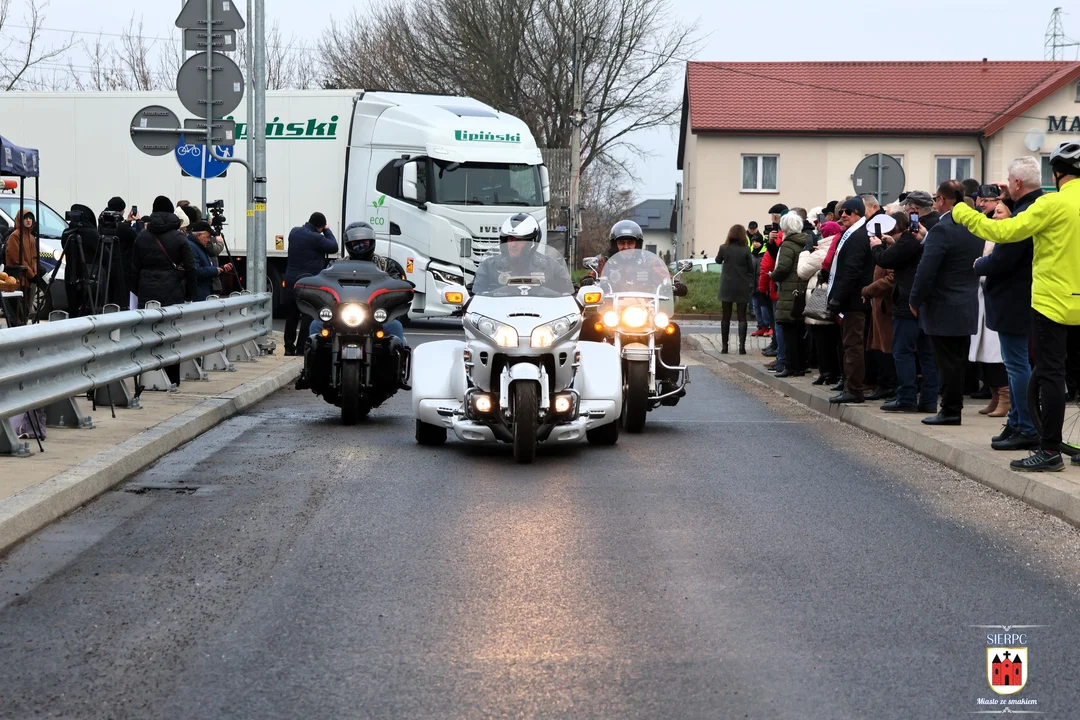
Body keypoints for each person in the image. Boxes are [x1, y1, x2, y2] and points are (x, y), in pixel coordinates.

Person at [951, 142, 1080, 471]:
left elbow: (1003, 232)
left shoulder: (1053, 203)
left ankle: (1050, 451)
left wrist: (963, 212)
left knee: (1051, 374)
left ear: (1058, 173)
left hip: (1053, 303)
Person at [973, 157, 1043, 452]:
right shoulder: (1034, 205)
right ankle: (1016, 420)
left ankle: (1026, 425)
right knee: (1017, 363)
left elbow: (1006, 256)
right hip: (1018, 296)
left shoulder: (1025, 213)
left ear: (1016, 183)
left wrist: (979, 264)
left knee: (1016, 365)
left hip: (1015, 297)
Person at [908, 181, 985, 426]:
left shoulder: (943, 229)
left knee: (946, 362)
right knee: (957, 362)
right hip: (967, 302)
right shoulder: (974, 224)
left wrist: (915, 298)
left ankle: (950, 411)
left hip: (943, 305)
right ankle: (954, 407)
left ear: (941, 200)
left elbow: (926, 268)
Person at [582, 218, 686, 394]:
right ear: (615, 244)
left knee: (671, 330)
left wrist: (676, 283)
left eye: (630, 242)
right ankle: (584, 375)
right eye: (621, 242)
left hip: (645, 312)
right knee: (588, 325)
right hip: (612, 312)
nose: (626, 247)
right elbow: (592, 274)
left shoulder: (649, 262)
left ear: (638, 244)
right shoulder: (605, 262)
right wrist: (588, 280)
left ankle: (669, 379)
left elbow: (665, 276)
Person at [872, 212, 939, 414]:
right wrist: (893, 243)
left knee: (903, 352)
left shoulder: (909, 239)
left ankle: (907, 397)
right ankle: (929, 399)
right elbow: (902, 256)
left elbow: (885, 259)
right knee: (927, 354)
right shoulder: (925, 239)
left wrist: (876, 246)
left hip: (907, 304)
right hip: (927, 303)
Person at [133, 196, 196, 387]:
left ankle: (148, 377)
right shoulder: (179, 238)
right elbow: (191, 268)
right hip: (173, 290)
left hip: (147, 291)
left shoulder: (142, 236)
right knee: (170, 336)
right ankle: (172, 379)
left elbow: (133, 268)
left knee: (148, 335)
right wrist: (189, 294)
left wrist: (138, 290)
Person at [827, 197, 875, 403]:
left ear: (858, 213)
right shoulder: (852, 233)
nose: (843, 215)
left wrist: (837, 297)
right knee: (849, 345)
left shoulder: (857, 236)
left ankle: (854, 390)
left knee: (853, 345)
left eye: (848, 212)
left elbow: (851, 271)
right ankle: (850, 386)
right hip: (851, 299)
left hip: (854, 300)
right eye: (842, 212)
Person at [283, 212, 338, 356]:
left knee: (292, 315)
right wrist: (327, 229)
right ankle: (301, 348)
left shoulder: (294, 232)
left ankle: (288, 347)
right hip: (308, 283)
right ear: (319, 227)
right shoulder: (316, 238)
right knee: (308, 314)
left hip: (291, 281)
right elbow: (334, 247)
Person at [799, 220, 843, 386]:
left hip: (819, 299)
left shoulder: (820, 252)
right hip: (833, 298)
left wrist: (805, 254)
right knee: (834, 338)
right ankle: (835, 372)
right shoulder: (838, 247)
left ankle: (826, 372)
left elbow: (802, 272)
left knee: (821, 340)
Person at [769, 213, 810, 377]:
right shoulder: (803, 242)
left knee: (789, 333)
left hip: (788, 294)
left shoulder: (787, 245)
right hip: (799, 292)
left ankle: (790, 366)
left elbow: (783, 268)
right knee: (799, 332)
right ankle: (800, 366)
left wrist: (772, 275)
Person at [715, 224, 756, 354]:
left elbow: (717, 260)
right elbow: (751, 268)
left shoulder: (723, 248)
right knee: (742, 317)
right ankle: (742, 347)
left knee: (725, 316)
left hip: (727, 285)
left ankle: (724, 347)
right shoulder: (746, 250)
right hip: (742, 286)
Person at [61, 204, 101, 318]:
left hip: (70, 274)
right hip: (89, 275)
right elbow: (104, 254)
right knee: (87, 309)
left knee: (73, 308)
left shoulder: (67, 233)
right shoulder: (91, 233)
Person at [100, 197, 138, 310]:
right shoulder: (123, 229)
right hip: (121, 268)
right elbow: (136, 238)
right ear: (120, 211)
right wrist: (139, 222)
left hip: (105, 266)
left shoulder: (102, 224)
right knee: (120, 299)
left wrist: (126, 222)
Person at [4, 208, 37, 325]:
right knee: (18, 310)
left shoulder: (32, 238)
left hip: (28, 280)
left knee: (25, 310)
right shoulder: (15, 236)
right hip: (17, 279)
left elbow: (34, 258)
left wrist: (35, 273)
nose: (28, 221)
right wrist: (31, 274)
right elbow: (17, 259)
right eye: (25, 218)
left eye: (30, 218)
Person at [187, 221, 234, 302]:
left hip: (201, 291)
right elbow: (196, 271)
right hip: (198, 294)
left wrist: (220, 269)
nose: (209, 240)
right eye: (208, 237)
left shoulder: (198, 246)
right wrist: (215, 270)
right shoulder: (192, 247)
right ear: (199, 236)